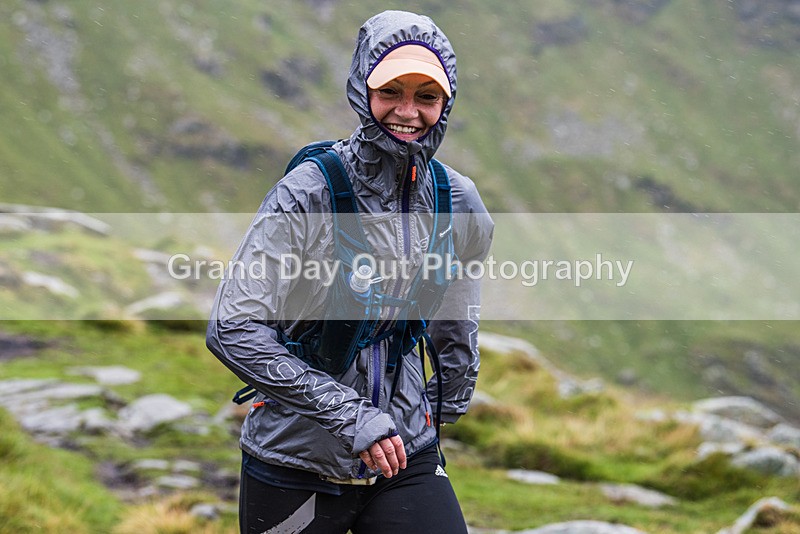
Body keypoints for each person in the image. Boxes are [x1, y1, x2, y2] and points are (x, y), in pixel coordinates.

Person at [207, 10, 493, 534]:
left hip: (407, 453)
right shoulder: (309, 192)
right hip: (295, 460)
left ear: (445, 105)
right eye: (391, 92)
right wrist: (351, 416)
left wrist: (449, 393)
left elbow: (456, 304)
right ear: (364, 90)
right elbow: (232, 329)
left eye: (426, 97)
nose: (408, 112)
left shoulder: (457, 200)